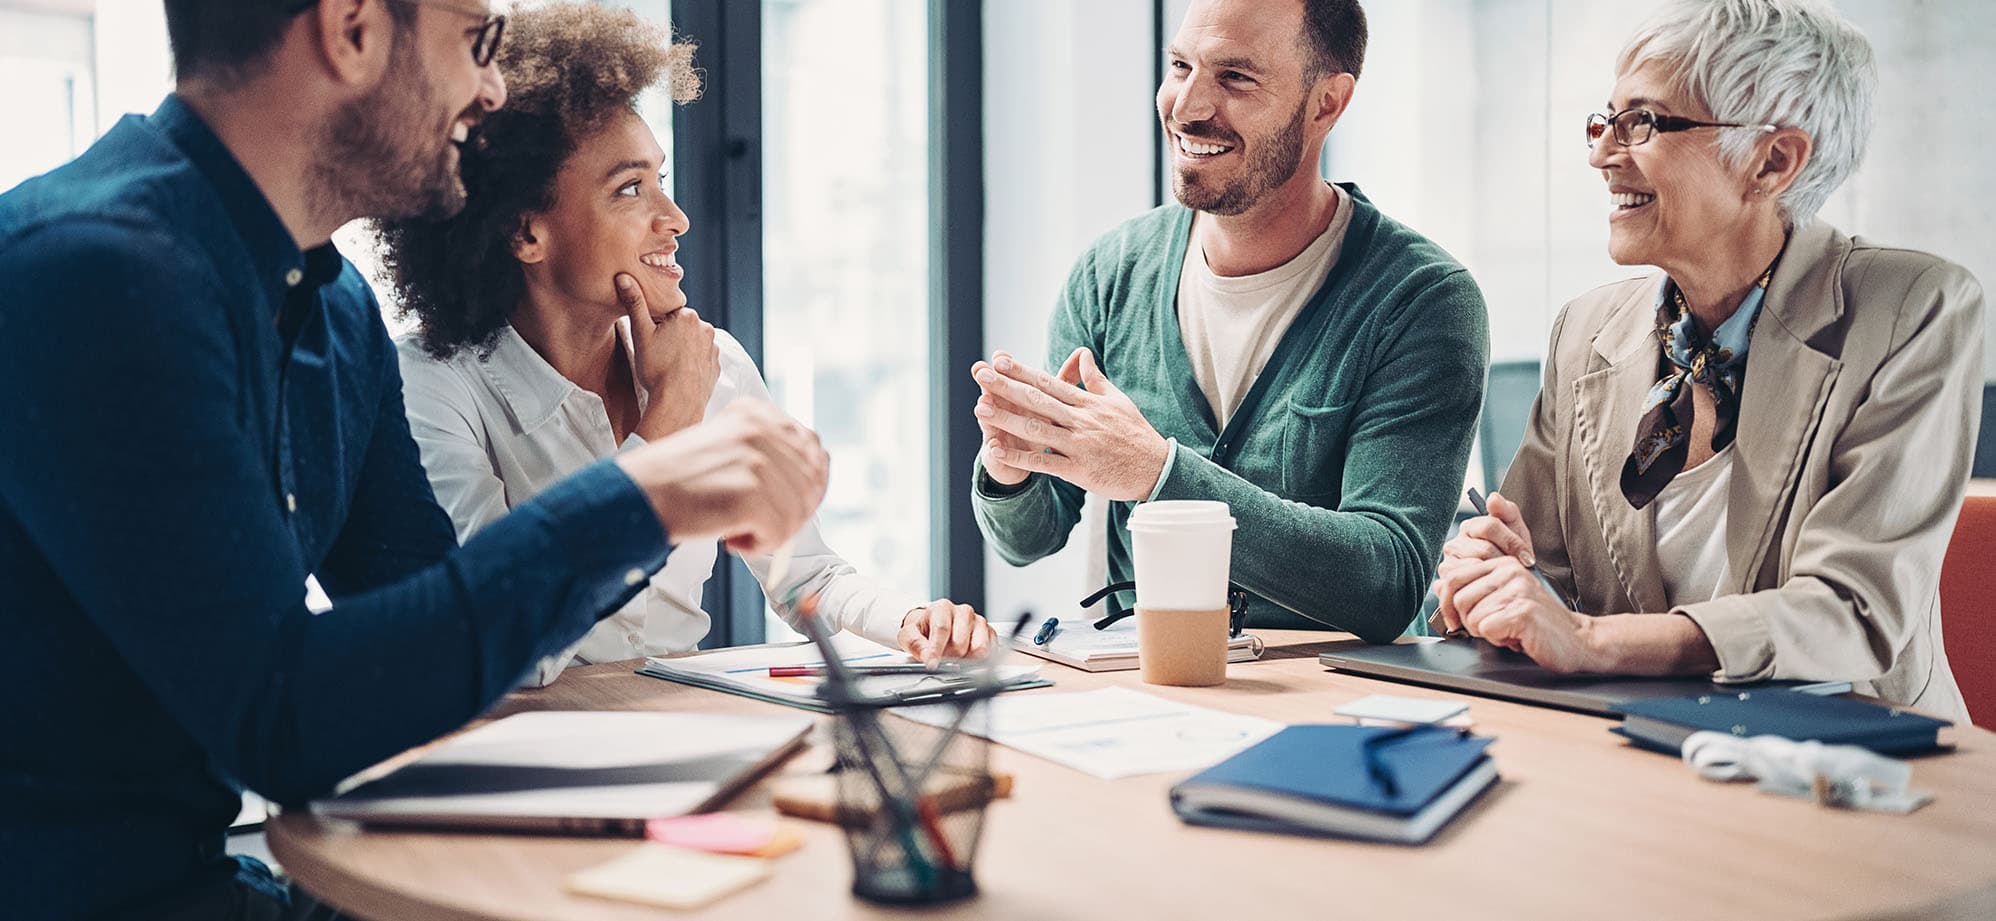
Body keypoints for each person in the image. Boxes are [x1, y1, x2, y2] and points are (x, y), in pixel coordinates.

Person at [0, 0, 830, 917]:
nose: (492, 87)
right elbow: (280, 720)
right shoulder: (90, 274)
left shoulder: (334, 307)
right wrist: (642, 492)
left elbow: (439, 637)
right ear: (351, 30)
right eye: (475, 40)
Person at [376, 3, 993, 686]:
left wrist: (908, 617)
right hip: (536, 746)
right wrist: (666, 425)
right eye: (630, 189)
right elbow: (514, 649)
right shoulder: (434, 386)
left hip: (685, 733)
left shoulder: (713, 360)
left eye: (660, 181)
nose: (676, 218)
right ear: (526, 234)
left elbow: (803, 573)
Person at [1432, 0, 1979, 721]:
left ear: (1773, 161)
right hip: (1640, 749)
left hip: (1857, 760)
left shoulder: (1914, 310)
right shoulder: (1584, 331)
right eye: (1606, 120)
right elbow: (1539, 572)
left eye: (1644, 123)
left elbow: (1852, 611)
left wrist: (1591, 639)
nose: (1602, 152)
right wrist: (1487, 578)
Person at [969, 0, 1489, 642]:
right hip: (1145, 689)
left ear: (1327, 102)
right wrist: (1009, 464)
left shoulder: (1420, 301)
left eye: (1236, 78)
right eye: (1181, 66)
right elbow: (1033, 536)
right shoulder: (1111, 274)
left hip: (1327, 705)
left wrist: (1157, 475)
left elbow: (1389, 580)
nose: (1187, 107)